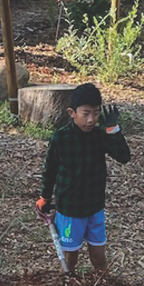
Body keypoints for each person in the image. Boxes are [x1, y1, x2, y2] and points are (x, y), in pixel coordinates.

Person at [36, 82, 131, 275]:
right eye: (85, 113)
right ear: (72, 112)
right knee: (69, 259)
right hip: (70, 210)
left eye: (96, 113)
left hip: (94, 208)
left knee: (99, 258)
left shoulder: (100, 136)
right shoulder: (60, 138)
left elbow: (124, 157)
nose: (91, 119)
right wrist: (44, 197)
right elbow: (50, 169)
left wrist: (113, 129)